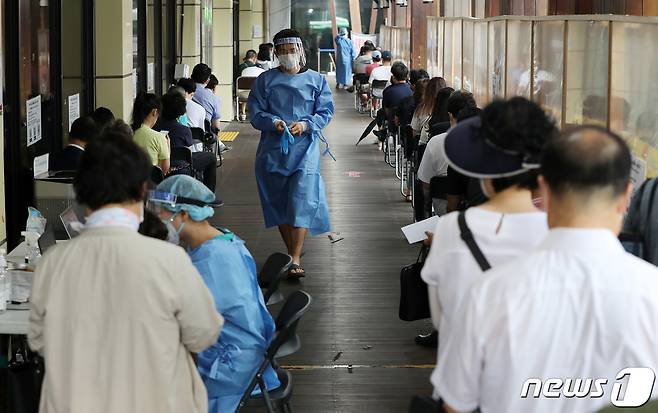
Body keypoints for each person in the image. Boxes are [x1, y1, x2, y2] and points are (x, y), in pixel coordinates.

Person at [434, 125, 658, 413]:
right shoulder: (652, 291)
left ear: (544, 190)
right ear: (627, 194)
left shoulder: (491, 292)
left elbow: (456, 404)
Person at [28, 126, 223, 413]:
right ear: (143, 189)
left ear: (80, 191)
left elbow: (39, 340)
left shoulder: (52, 264)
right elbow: (204, 333)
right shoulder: (168, 260)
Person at [421, 97, 557, 402]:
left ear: (482, 169)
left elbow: (444, 321)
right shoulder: (559, 235)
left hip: (472, 387)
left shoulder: (450, 231)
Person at [150, 175, 281, 412]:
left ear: (183, 214)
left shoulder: (213, 262)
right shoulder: (224, 240)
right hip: (248, 350)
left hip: (229, 366)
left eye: (160, 215)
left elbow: (181, 319)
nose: (158, 223)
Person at [248, 29, 334, 278]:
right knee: (279, 203)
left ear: (301, 51)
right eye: (282, 51)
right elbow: (256, 112)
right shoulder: (265, 80)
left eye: (291, 50)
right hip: (273, 150)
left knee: (302, 199)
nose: (287, 55)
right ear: (276, 53)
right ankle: (291, 251)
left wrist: (306, 124)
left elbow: (325, 111)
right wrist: (274, 122)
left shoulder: (317, 80)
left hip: (304, 149)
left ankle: (295, 257)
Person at [418, 91, 478, 216]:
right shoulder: (482, 143)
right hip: (477, 206)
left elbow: (425, 182)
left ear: (450, 115)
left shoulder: (435, 142)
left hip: (443, 205)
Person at [155, 91, 217, 192]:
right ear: (182, 110)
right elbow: (188, 152)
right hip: (181, 165)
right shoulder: (184, 130)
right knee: (211, 158)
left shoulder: (155, 127)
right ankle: (209, 194)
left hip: (160, 165)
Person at [131, 92, 170, 174]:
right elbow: (165, 170)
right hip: (151, 184)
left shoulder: (126, 132)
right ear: (154, 112)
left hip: (130, 182)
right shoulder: (159, 137)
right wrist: (168, 147)